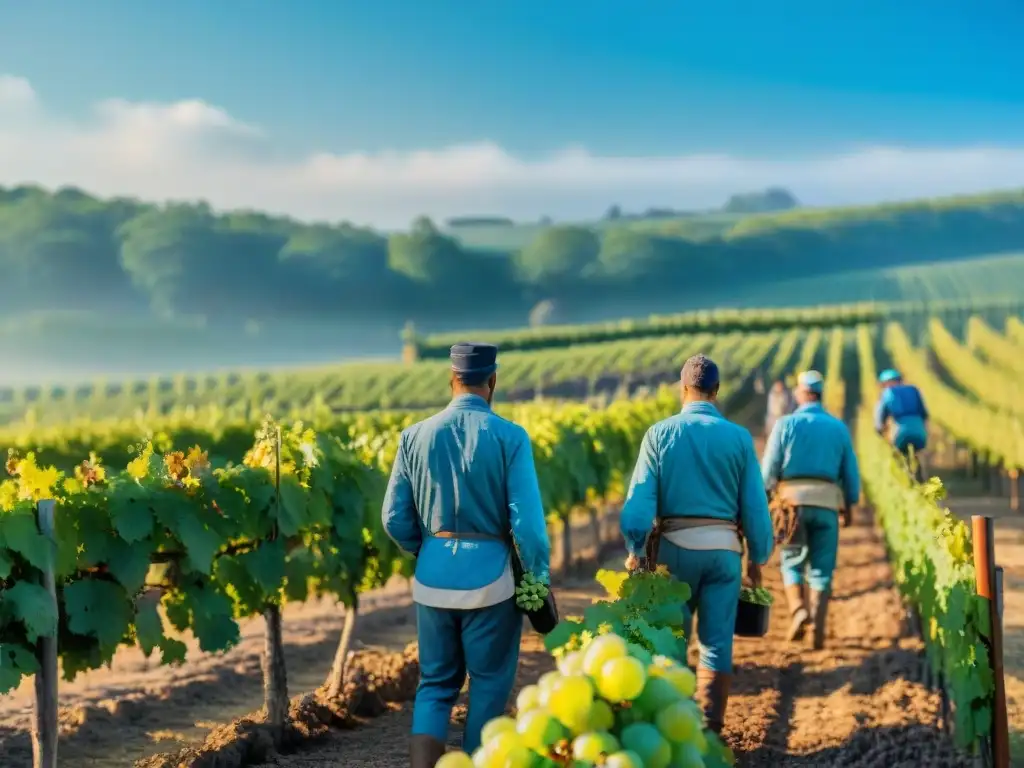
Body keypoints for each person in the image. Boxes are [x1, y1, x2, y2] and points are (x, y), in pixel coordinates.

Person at [382, 342, 551, 767]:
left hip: (433, 576)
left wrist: (428, 550)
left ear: (451, 380)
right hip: (491, 581)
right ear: (492, 381)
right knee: (489, 683)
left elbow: (392, 517)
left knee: (435, 684)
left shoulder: (412, 437)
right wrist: (536, 575)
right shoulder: (511, 437)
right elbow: (527, 525)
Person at [620, 354, 774, 735]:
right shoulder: (739, 438)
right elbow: (755, 506)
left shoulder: (659, 434)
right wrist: (758, 556)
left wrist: (636, 549)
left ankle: (677, 724)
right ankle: (711, 724)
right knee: (717, 641)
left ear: (682, 389)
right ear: (717, 392)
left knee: (673, 641)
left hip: (674, 551)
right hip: (724, 554)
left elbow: (638, 505)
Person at [761, 370, 861, 650]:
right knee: (822, 566)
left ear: (801, 393)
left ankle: (798, 610)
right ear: (820, 393)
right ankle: (817, 623)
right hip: (827, 503)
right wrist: (849, 504)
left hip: (791, 505)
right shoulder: (838, 428)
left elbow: (769, 470)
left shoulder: (785, 424)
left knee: (792, 559)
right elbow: (850, 474)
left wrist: (766, 497)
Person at [874, 368, 929, 481]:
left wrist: (879, 429)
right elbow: (924, 413)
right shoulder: (914, 390)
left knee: (898, 454)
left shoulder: (887, 393)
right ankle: (920, 480)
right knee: (916, 454)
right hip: (919, 430)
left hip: (901, 430)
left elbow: (880, 416)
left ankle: (905, 480)